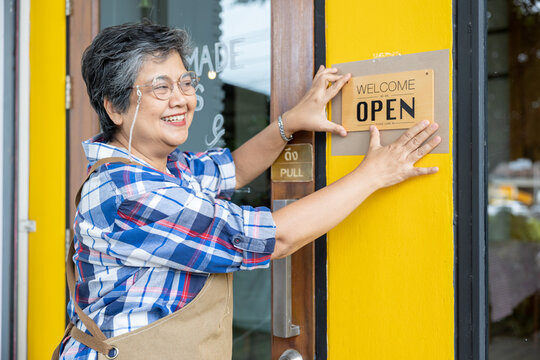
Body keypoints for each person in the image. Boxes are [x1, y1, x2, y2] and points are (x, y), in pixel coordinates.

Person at [55, 22, 440, 360]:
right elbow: (278, 236)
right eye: (160, 87)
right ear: (115, 108)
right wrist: (372, 175)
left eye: (185, 83)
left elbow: (235, 169)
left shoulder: (166, 168)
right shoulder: (129, 190)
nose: (182, 99)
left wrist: (290, 122)